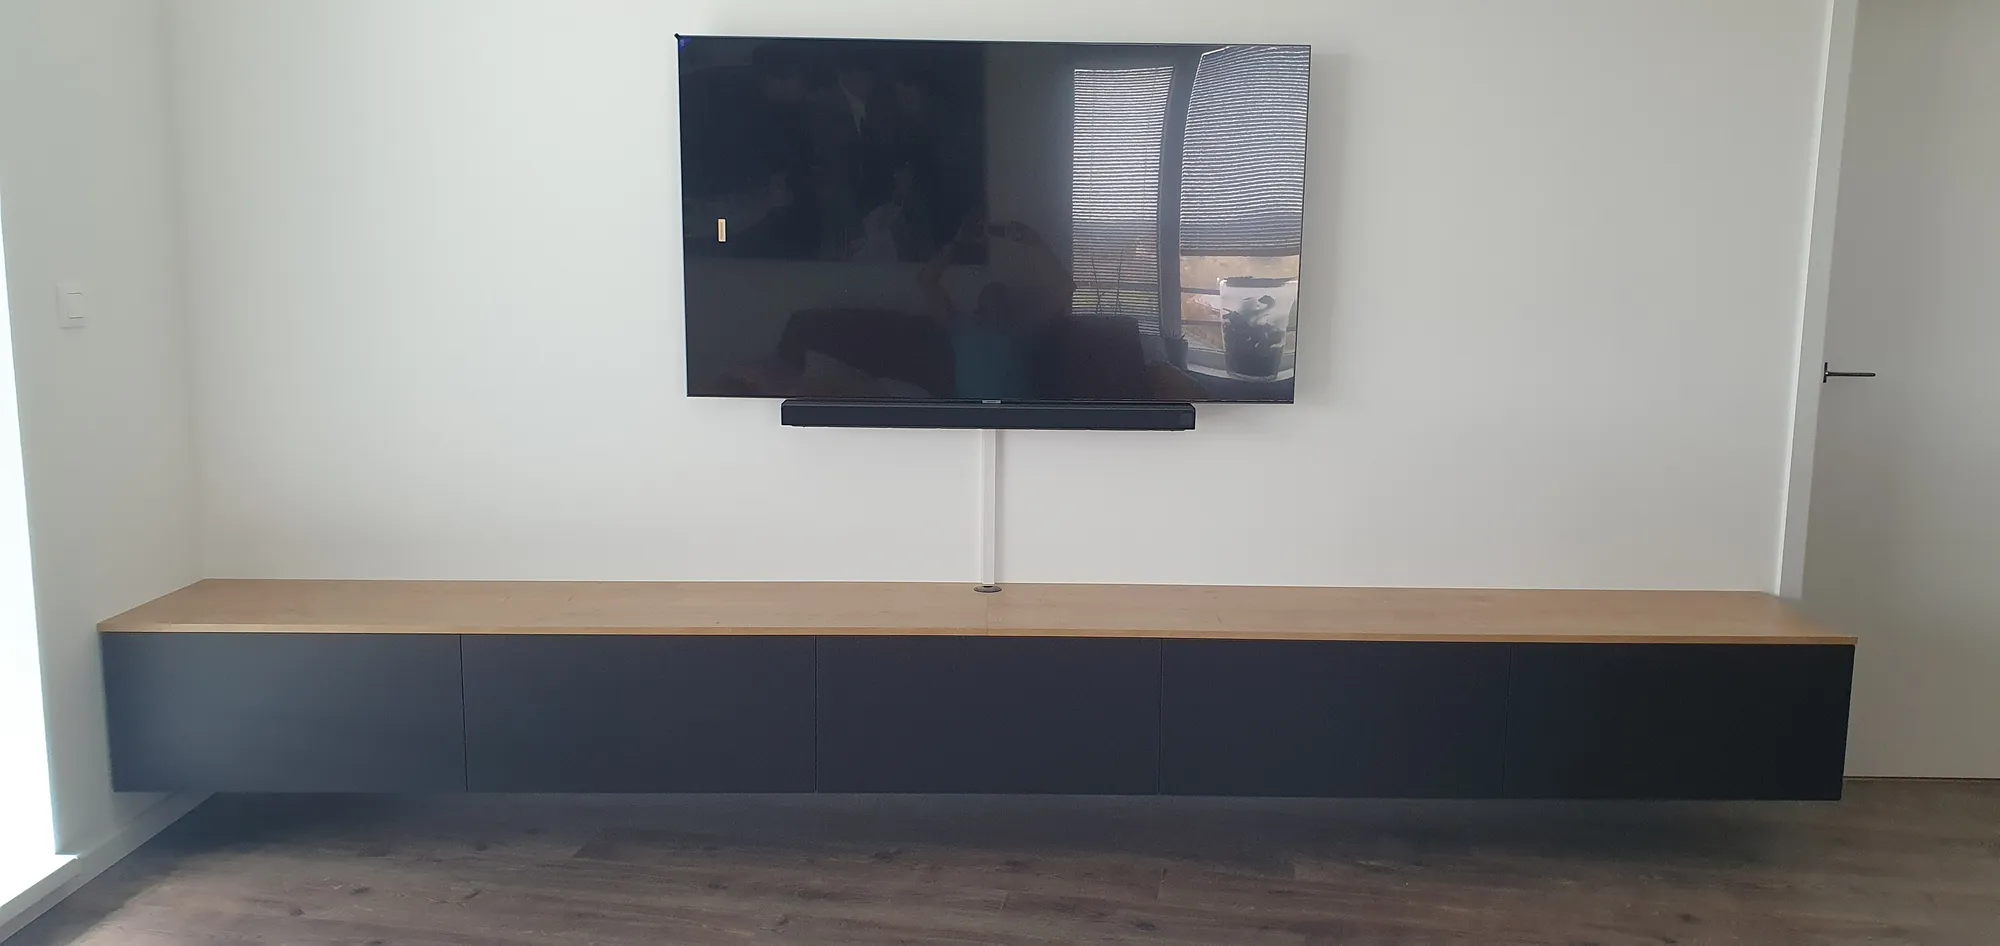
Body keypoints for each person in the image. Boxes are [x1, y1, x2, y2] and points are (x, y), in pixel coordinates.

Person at [918, 219, 1077, 400]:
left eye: (1000, 296)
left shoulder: (1025, 329)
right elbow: (925, 280)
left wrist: (1036, 243)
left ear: (1009, 306)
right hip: (971, 415)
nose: (996, 299)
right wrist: (957, 242)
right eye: (990, 294)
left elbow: (1067, 287)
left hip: (1015, 415)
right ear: (979, 306)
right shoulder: (960, 327)